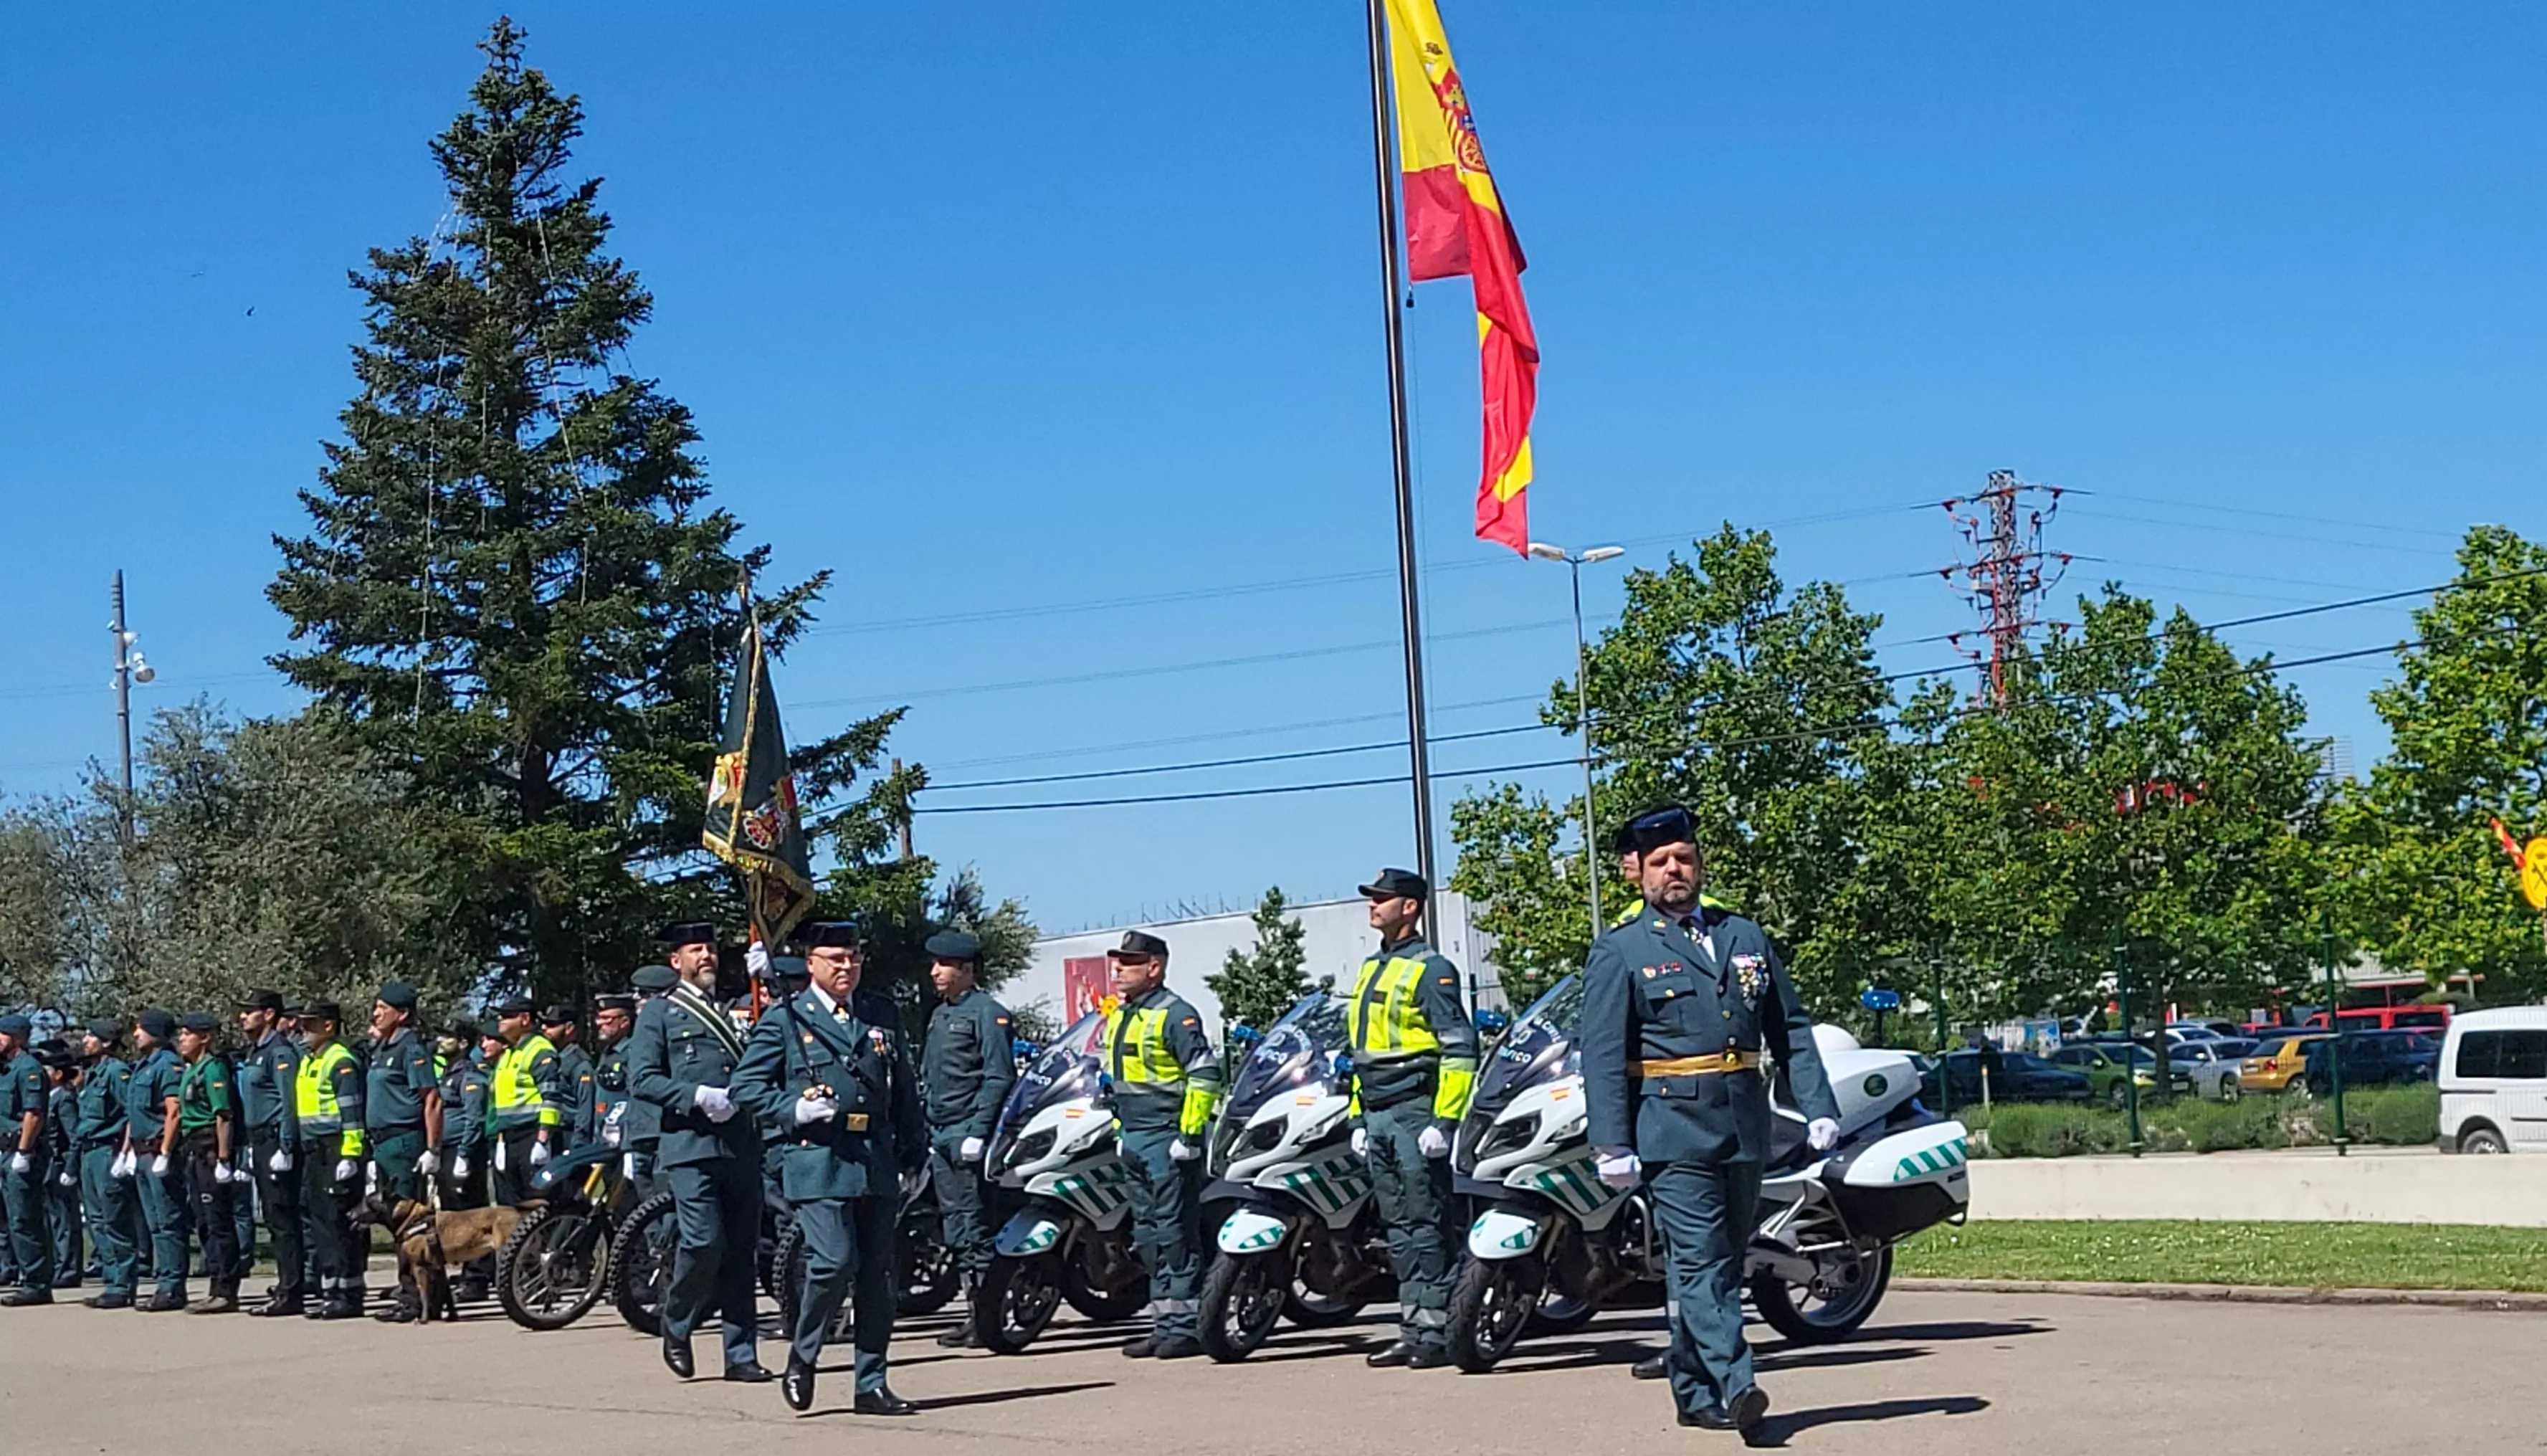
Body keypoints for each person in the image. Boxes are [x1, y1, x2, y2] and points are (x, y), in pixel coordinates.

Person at [1579, 804, 1841, 1434]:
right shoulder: (1621, 949)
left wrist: (1818, 1106)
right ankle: (1737, 1384)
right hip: (1670, 1130)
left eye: (1685, 858)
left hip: (1743, 1124)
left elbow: (1790, 1028)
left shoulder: (1743, 935)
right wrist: (1610, 1142)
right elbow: (1602, 1053)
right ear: (1633, 870)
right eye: (1661, 861)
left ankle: (1692, 1391)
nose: (1675, 870)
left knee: (1722, 1260)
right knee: (1698, 1261)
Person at [731, 920, 925, 1414]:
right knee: (834, 1260)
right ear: (812, 963)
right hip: (818, 1157)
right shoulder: (787, 1019)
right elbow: (746, 1087)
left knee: (878, 1275)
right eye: (835, 958)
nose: (846, 966)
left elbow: (902, 1087)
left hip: (874, 1156)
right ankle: (805, 1352)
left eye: (853, 956)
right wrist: (793, 1107)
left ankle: (871, 1382)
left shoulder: (880, 1012)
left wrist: (913, 1152)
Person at [1343, 869, 1478, 1369]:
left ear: (1410, 907)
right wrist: (1357, 1116)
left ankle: (1440, 1328)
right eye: (1372, 899)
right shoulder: (1370, 967)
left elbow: (1460, 1049)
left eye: (1382, 899)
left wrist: (1443, 1122)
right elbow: (1362, 1052)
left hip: (1413, 1110)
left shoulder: (1431, 969)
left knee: (1427, 1223)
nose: (1372, 906)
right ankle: (1413, 1325)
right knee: (1398, 1226)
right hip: (1378, 1112)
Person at [629, 922, 768, 1386]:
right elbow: (643, 1079)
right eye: (696, 950)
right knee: (704, 1241)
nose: (706, 956)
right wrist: (696, 1094)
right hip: (690, 1146)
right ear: (677, 961)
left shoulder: (736, 1008)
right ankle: (677, 1317)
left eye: (710, 948)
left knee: (742, 1252)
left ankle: (741, 1353)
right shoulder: (660, 1014)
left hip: (740, 1146)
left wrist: (772, 987)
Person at [1099, 930, 1222, 1360]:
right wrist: (1118, 1130)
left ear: (1154, 967)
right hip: (1134, 1137)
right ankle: (1163, 1321)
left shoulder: (1176, 1015)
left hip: (1167, 1136)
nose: (1118, 970)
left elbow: (1204, 1077)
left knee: (1175, 1234)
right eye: (1118, 962)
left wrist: (1189, 1137)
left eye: (1128, 963)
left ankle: (1185, 1327)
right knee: (1148, 1235)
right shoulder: (1123, 1015)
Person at [919, 928, 1015, 1348]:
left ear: (966, 969)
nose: (935, 972)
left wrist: (978, 1132)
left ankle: (988, 1315)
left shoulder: (987, 1014)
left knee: (976, 1227)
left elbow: (998, 1076)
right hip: (942, 1133)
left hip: (967, 1134)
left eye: (944, 965)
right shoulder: (942, 1014)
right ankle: (972, 1311)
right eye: (936, 964)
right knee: (956, 1228)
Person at [366, 981, 444, 1322]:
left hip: (404, 1141)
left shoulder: (411, 1049)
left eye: (384, 1008)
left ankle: (416, 1299)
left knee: (410, 1226)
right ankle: (407, 1293)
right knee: (396, 1227)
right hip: (383, 1143)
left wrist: (432, 1148)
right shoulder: (383, 1048)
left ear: (403, 1014)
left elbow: (431, 1099)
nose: (376, 1013)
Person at [292, 1003, 368, 1321]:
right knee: (319, 1219)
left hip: (335, 1148)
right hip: (315, 1149)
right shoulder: (312, 1060)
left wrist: (350, 1154)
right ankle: (331, 1290)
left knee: (338, 1223)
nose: (302, 1029)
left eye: (310, 1023)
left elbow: (351, 1113)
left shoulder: (340, 1061)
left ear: (329, 1026)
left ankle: (347, 1293)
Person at [234, 989, 305, 1316]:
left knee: (283, 1219)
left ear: (268, 1014)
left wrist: (286, 1145)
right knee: (273, 1219)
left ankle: (291, 1291)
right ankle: (286, 1283)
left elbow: (289, 1102)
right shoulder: (255, 1052)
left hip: (276, 1140)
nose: (243, 1017)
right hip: (259, 1141)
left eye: (250, 1011)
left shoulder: (280, 1052)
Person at [172, 1013, 243, 1313]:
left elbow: (223, 1114)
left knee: (218, 1221)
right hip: (192, 1149)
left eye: (189, 1034)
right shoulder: (191, 1070)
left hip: (209, 1149)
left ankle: (227, 1289)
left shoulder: (212, 1069)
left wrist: (224, 1158)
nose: (182, 1039)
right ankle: (215, 1283)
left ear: (205, 1038)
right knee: (203, 1221)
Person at [120, 1008, 190, 1311]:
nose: (136, 1034)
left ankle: (172, 1287)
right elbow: (133, 1116)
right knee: (154, 1223)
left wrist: (165, 1152)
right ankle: (164, 1282)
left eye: (141, 1028)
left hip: (158, 1152)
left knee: (168, 1221)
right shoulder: (141, 1067)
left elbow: (173, 1111)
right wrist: (127, 1152)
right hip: (141, 1152)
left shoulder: (168, 1065)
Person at [73, 1020, 139, 1309]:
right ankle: (111, 1281)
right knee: (97, 1221)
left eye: (92, 1036)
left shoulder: (116, 1072)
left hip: (108, 1152)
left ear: (108, 1043)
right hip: (90, 1152)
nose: (86, 1040)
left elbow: (129, 1115)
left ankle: (123, 1284)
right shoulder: (92, 1074)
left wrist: (125, 1154)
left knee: (115, 1220)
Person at [435, 1017, 494, 1301]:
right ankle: (469, 1271)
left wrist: (464, 1154)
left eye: (447, 1037)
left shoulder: (470, 1075)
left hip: (463, 1150)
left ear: (462, 1043)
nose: (439, 1041)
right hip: (448, 1149)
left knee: (472, 1214)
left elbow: (474, 1118)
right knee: (455, 1213)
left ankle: (479, 1276)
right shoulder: (449, 1072)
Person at [487, 996, 564, 1205]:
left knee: (537, 1205)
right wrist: (502, 1142)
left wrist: (543, 1139)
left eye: (507, 1016)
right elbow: (502, 1105)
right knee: (511, 1208)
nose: (501, 1021)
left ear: (525, 1019)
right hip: (510, 1138)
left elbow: (552, 1097)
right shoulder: (510, 1054)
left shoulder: (539, 1050)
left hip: (532, 1135)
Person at [0, 1013, 54, 1305]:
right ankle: (21, 1274)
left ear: (18, 1038)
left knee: (25, 1218)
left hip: (20, 1153)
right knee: (9, 1220)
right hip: (3, 1151)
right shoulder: (5, 1070)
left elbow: (34, 1114)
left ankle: (37, 1283)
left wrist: (24, 1151)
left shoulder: (29, 1069)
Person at [37, 1042, 82, 1293]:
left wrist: (70, 1168)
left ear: (58, 1074)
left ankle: (69, 1269)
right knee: (54, 1219)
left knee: (65, 1218)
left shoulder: (64, 1099)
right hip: (48, 1163)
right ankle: (59, 1265)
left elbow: (74, 1135)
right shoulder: (50, 1098)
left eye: (47, 1070)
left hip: (60, 1163)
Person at [589, 993, 644, 1181]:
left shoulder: (633, 1052)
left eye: (607, 1019)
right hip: (607, 1142)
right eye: (599, 1018)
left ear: (624, 1022)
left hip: (627, 1141)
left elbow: (635, 1099)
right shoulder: (608, 1054)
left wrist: (630, 1146)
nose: (599, 1023)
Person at [543, 1007, 596, 1150]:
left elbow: (585, 1106)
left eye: (552, 1025)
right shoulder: (554, 1059)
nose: (544, 1028)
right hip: (553, 1134)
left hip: (570, 1134)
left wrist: (579, 1143)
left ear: (569, 1028)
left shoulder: (579, 1063)